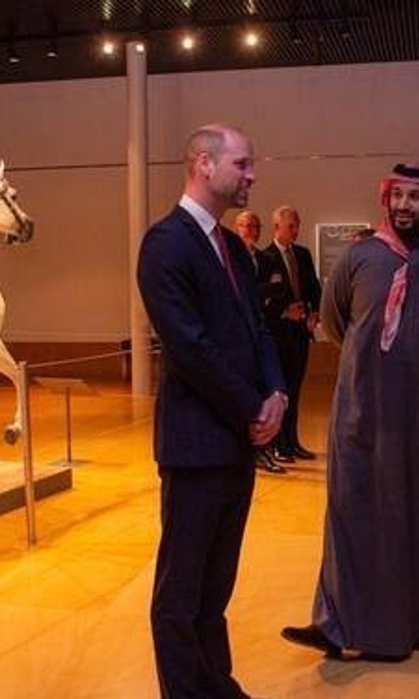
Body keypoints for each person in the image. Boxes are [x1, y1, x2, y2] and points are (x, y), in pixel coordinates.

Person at [282, 163, 419, 661]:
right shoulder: (358, 256)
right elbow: (334, 322)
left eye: (417, 197)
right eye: (398, 196)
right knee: (352, 510)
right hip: (361, 413)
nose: (405, 206)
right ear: (385, 199)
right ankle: (335, 623)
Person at [136, 124, 288, 698]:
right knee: (180, 593)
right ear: (203, 163)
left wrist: (277, 394)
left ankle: (217, 684)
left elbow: (257, 331)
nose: (251, 175)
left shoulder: (231, 248)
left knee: (216, 587)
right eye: (242, 164)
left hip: (235, 443)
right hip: (197, 445)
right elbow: (189, 349)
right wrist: (253, 407)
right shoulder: (165, 244)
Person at [257, 205, 322, 462]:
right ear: (277, 227)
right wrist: (284, 312)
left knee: (295, 390)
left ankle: (292, 442)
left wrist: (314, 314)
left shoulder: (303, 255)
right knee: (279, 392)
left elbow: (314, 288)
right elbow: (261, 300)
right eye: (290, 226)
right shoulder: (266, 258)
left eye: (297, 226)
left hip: (300, 334)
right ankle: (277, 445)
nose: (295, 231)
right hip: (278, 335)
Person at [233, 209, 287, 475]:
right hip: (241, 341)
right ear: (236, 227)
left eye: (255, 226)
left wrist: (259, 293)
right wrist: (260, 293)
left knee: (272, 394)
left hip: (266, 332)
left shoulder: (265, 258)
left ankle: (268, 449)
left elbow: (279, 288)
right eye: (246, 226)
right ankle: (253, 450)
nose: (251, 231)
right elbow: (246, 295)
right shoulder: (230, 258)